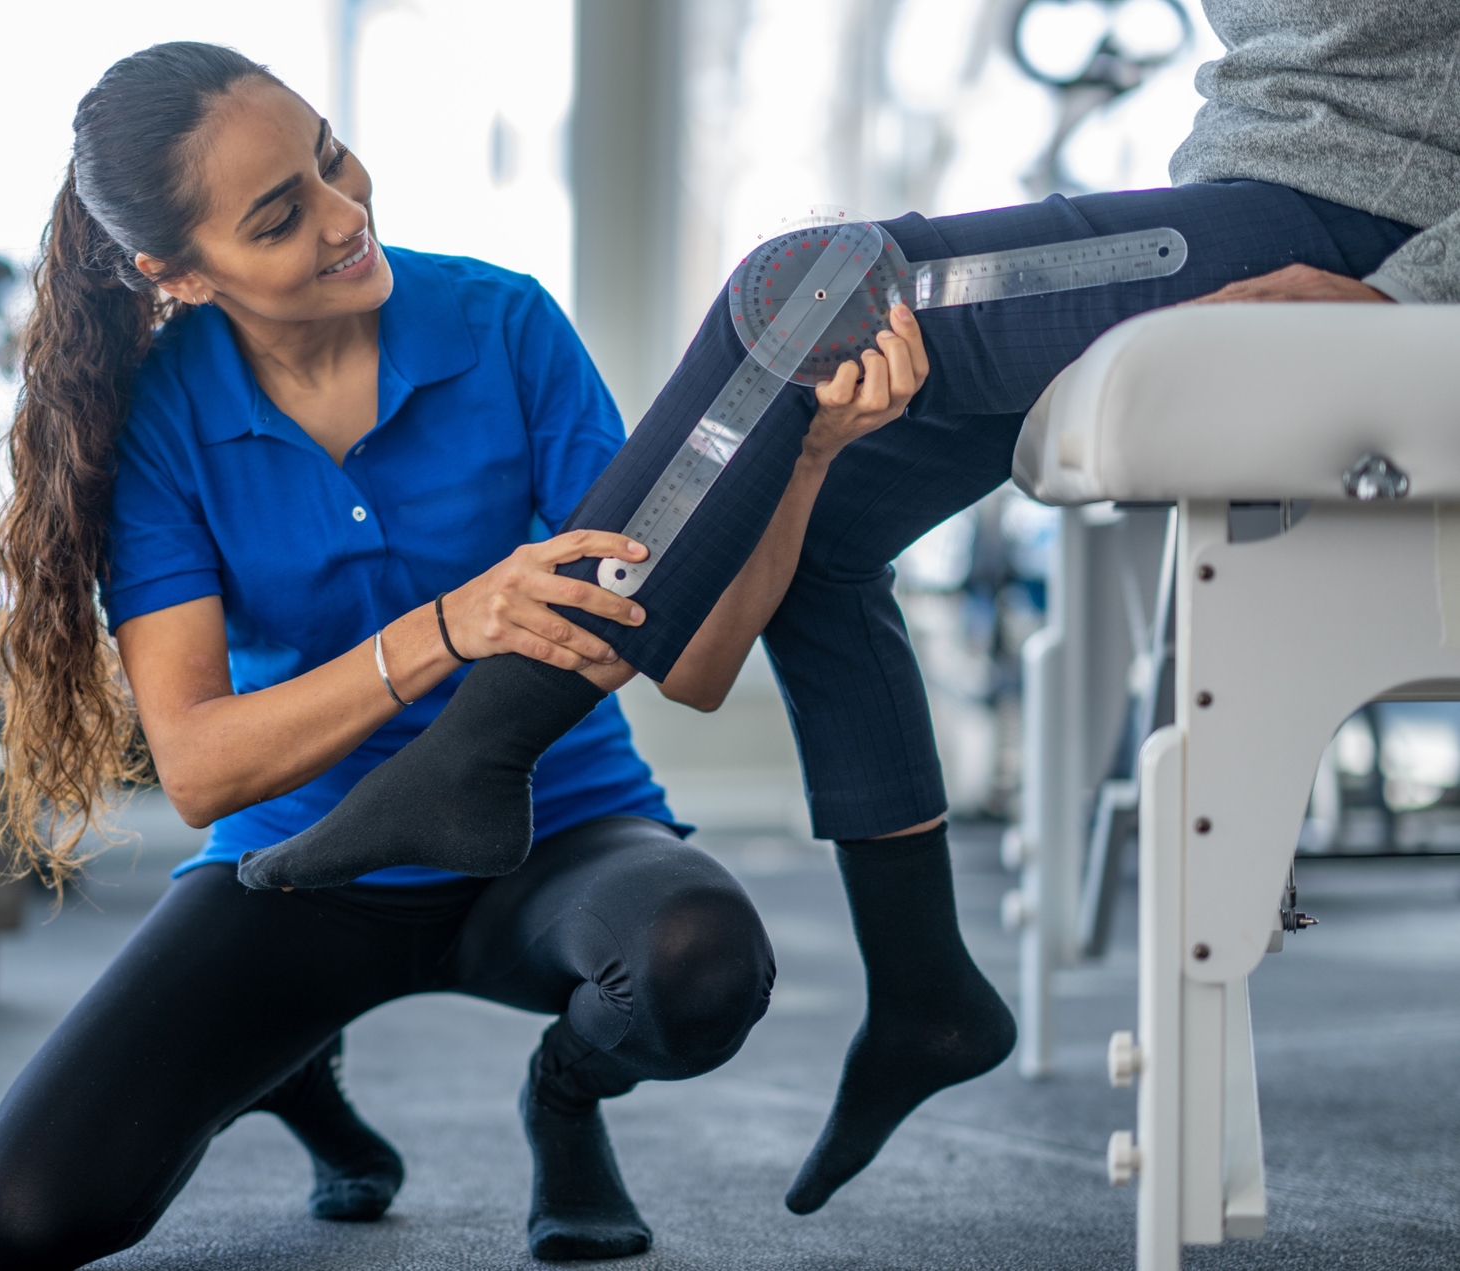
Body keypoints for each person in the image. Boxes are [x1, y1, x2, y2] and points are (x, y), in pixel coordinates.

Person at [239, 0, 1455, 1217]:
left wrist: (1409, 295)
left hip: (1359, 225)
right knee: (812, 520)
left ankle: (480, 745)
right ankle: (927, 986)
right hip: (1242, 195)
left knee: (810, 285)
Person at [0, 41, 923, 1271]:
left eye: (328, 157)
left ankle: (564, 1099)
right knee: (29, 1217)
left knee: (697, 970)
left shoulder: (504, 324)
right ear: (181, 275)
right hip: (307, 861)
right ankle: (296, 1069)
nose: (346, 213)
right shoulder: (163, 422)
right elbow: (197, 768)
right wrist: (446, 627)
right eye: (279, 216)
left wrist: (802, 459)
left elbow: (691, 663)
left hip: (559, 832)